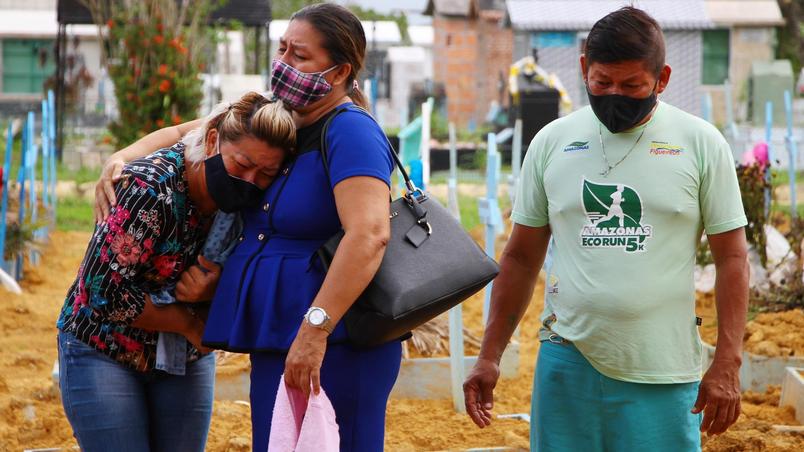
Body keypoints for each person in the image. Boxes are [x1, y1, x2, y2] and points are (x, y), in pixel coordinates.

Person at [93, 4, 400, 450]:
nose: (283, 65)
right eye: (282, 51)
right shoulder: (285, 123)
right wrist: (121, 158)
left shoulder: (350, 131)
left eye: (299, 56)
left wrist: (315, 331)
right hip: (279, 335)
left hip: (337, 341)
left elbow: (370, 234)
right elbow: (188, 131)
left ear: (339, 72)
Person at [464, 7, 749, 452]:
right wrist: (489, 355)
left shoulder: (699, 142)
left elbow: (733, 258)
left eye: (632, 85)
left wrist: (728, 361)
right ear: (583, 70)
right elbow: (520, 257)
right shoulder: (552, 142)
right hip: (567, 362)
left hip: (662, 368)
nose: (615, 95)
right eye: (601, 83)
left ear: (662, 78)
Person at [57, 92, 296, 451]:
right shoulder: (148, 188)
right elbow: (101, 291)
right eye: (242, 164)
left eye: (264, 174)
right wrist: (186, 321)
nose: (249, 180)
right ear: (213, 140)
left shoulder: (253, 202)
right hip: (104, 347)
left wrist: (214, 289)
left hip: (185, 356)